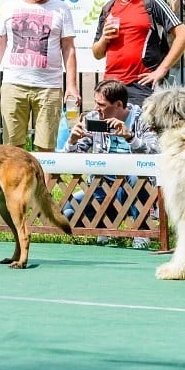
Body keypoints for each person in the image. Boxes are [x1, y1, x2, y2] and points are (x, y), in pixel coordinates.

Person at [0, 0, 80, 153]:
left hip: (49, 88)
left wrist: (71, 85)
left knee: (46, 148)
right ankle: (16, 185)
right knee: (12, 149)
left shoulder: (61, 9)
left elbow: (68, 49)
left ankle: (44, 185)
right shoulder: (9, 7)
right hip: (14, 85)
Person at [60, 79, 159, 249]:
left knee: (135, 175)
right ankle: (105, 226)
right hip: (101, 186)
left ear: (119, 105)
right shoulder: (92, 118)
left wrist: (131, 138)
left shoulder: (142, 119)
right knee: (67, 214)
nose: (96, 108)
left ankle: (141, 232)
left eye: (102, 104)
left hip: (134, 187)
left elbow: (156, 154)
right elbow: (68, 162)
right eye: (96, 103)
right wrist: (71, 141)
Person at [92, 0, 185, 106]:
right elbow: (97, 54)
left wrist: (161, 70)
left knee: (139, 129)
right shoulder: (108, 8)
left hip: (141, 86)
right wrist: (104, 39)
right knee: (110, 129)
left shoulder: (152, 2)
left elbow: (184, 35)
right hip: (110, 86)